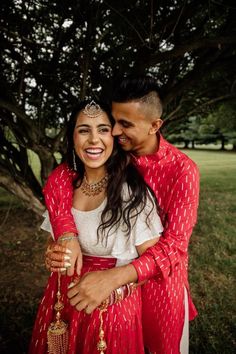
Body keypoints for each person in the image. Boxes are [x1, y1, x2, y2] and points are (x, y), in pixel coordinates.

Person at [45, 76, 200, 354]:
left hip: (158, 288)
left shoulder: (182, 171)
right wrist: (66, 232)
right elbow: (60, 178)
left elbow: (175, 248)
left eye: (125, 124)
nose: (115, 131)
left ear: (155, 126)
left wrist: (115, 278)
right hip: (103, 290)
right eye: (114, 122)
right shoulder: (116, 153)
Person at [29, 99, 164, 354]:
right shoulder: (64, 188)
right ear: (72, 137)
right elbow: (55, 241)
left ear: (114, 136)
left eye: (103, 129)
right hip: (62, 301)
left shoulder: (132, 193)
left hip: (110, 308)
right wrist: (53, 254)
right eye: (84, 130)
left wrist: (112, 287)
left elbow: (154, 261)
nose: (94, 139)